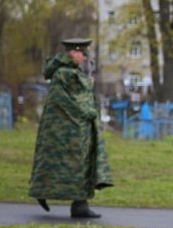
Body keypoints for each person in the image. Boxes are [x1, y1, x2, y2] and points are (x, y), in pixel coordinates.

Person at [29, 38, 112, 218]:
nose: (84, 57)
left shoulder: (69, 73)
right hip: (68, 131)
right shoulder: (65, 74)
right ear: (73, 52)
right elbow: (70, 101)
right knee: (72, 164)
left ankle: (80, 203)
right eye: (82, 53)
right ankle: (50, 193)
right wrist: (88, 111)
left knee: (79, 165)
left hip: (75, 130)